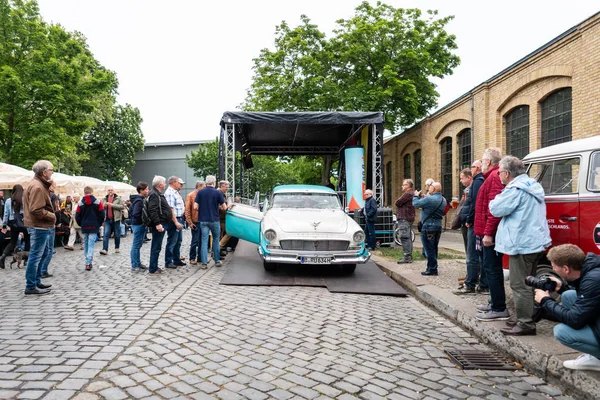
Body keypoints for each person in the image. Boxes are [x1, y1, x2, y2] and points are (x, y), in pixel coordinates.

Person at [490, 156, 552, 335]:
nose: (499, 175)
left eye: (500, 172)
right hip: (533, 242)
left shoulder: (515, 189)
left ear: (507, 173)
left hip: (521, 243)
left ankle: (525, 324)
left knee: (519, 284)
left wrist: (495, 200)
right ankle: (526, 317)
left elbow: (495, 208)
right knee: (529, 282)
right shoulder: (533, 186)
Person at [536, 244, 600, 371]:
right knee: (568, 295)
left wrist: (546, 301)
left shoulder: (592, 280)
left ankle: (598, 358)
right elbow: (587, 297)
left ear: (566, 269)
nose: (553, 269)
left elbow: (574, 320)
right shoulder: (592, 268)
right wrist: (563, 287)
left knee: (562, 332)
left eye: (554, 267)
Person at [474, 148, 508, 321]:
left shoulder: (494, 178)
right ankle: (494, 302)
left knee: (492, 269)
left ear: (488, 162)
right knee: (489, 268)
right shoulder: (493, 177)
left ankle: (498, 307)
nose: (480, 164)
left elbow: (494, 210)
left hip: (490, 235)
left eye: (482, 160)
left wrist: (488, 234)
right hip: (487, 232)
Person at [22, 160, 56, 295]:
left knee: (41, 254)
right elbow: (36, 209)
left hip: (38, 225)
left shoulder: (37, 184)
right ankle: (30, 285)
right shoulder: (37, 187)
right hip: (39, 226)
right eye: (51, 170)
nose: (52, 173)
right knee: (36, 255)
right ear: (44, 173)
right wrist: (52, 216)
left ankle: (35, 282)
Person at [464, 160, 488, 293]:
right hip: (478, 221)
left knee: (473, 254)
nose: (470, 169)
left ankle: (471, 283)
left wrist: (469, 219)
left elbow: (476, 203)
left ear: (477, 168)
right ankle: (482, 283)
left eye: (472, 167)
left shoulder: (478, 182)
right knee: (480, 254)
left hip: (475, 222)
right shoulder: (481, 180)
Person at [413, 182, 446, 276]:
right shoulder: (443, 199)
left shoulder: (429, 199)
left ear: (434, 189)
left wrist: (416, 196)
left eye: (430, 187)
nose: (428, 189)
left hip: (428, 226)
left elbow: (415, 204)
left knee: (428, 248)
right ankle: (432, 267)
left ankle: (432, 269)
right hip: (438, 226)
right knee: (434, 247)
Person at [195, 175, 226, 269]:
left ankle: (204, 263)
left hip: (203, 220)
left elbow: (195, 207)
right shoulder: (217, 193)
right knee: (216, 240)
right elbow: (224, 207)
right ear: (214, 182)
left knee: (204, 241)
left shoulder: (200, 192)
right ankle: (216, 260)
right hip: (214, 220)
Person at [75, 186, 105, 271]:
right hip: (94, 225)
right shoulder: (98, 202)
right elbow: (102, 214)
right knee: (91, 244)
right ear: (92, 192)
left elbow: (77, 216)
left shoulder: (80, 203)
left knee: (86, 244)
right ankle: (88, 262)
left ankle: (87, 261)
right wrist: (98, 223)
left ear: (84, 193)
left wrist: (81, 224)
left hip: (84, 226)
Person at [147, 176, 173, 275]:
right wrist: (158, 224)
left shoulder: (156, 193)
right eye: (164, 183)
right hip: (159, 224)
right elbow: (152, 210)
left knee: (157, 246)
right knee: (156, 246)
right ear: (160, 185)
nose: (165, 184)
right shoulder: (154, 194)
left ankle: (154, 266)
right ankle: (153, 268)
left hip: (162, 223)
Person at [0, 184, 30, 268]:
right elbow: (28, 212)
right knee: (28, 240)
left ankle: (3, 256)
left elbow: (6, 214)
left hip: (13, 223)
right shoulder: (24, 200)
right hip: (24, 223)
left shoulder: (8, 200)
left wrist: (4, 226)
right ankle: (26, 261)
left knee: (12, 242)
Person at [164, 176, 186, 269]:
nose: (179, 184)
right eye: (178, 182)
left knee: (178, 241)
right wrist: (176, 222)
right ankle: (168, 261)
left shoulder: (175, 192)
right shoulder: (169, 193)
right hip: (174, 220)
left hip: (179, 218)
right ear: (173, 182)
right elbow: (171, 209)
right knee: (172, 241)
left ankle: (176, 259)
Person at [129, 182, 149, 272]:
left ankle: (137, 263)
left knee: (138, 245)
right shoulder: (139, 200)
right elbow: (136, 213)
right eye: (146, 189)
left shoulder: (140, 199)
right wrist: (143, 219)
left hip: (139, 224)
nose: (148, 190)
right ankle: (134, 265)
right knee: (136, 246)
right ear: (141, 190)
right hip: (138, 224)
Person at [395, 179, 415, 264]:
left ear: (408, 186)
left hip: (404, 218)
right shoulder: (411, 194)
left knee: (404, 237)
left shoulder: (408, 193)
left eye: (403, 185)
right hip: (408, 217)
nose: (402, 186)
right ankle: (408, 256)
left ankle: (407, 256)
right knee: (408, 237)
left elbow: (398, 202)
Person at [99, 187, 124, 255]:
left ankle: (117, 248)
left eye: (111, 190)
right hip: (107, 220)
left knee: (117, 234)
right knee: (106, 234)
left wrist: (112, 205)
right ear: (107, 191)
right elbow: (101, 208)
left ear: (114, 191)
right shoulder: (104, 199)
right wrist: (104, 205)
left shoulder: (118, 198)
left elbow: (122, 207)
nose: (110, 191)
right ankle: (105, 249)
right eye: (109, 190)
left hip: (116, 219)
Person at [185, 180, 205, 265]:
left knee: (202, 241)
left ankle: (200, 258)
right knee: (195, 241)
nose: (204, 189)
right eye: (203, 187)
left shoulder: (203, 195)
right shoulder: (191, 195)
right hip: (195, 221)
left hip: (203, 221)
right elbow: (187, 210)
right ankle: (192, 258)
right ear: (199, 187)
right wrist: (190, 222)